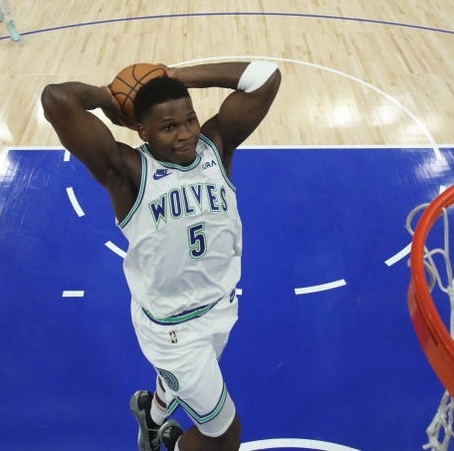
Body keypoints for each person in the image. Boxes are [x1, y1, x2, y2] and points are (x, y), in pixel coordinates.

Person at [41, 60, 282, 451]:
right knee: (224, 437)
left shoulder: (215, 145)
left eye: (190, 120)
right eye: (169, 127)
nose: (185, 134)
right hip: (174, 331)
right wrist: (107, 98)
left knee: (179, 384)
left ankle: (150, 419)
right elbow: (56, 99)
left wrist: (175, 77)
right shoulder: (127, 172)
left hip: (221, 307)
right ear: (142, 130)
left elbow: (265, 77)